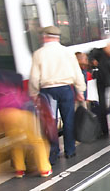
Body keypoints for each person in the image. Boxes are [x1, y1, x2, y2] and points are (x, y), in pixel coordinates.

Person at [28, 25, 86, 164]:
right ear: (58, 38)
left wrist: (34, 93)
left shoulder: (38, 54)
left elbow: (34, 77)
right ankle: (70, 150)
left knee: (50, 123)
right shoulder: (67, 52)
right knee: (68, 120)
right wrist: (80, 90)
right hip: (66, 89)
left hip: (48, 91)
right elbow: (77, 73)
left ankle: (53, 154)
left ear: (45, 37)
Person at [0, 68, 51, 179]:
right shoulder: (14, 89)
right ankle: (45, 169)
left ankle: (19, 170)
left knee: (16, 143)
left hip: (1, 115)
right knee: (38, 141)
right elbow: (25, 104)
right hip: (19, 115)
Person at [89, 36, 110, 137]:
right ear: (107, 47)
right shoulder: (99, 52)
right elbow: (91, 54)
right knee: (102, 106)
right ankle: (104, 130)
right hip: (102, 81)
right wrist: (93, 60)